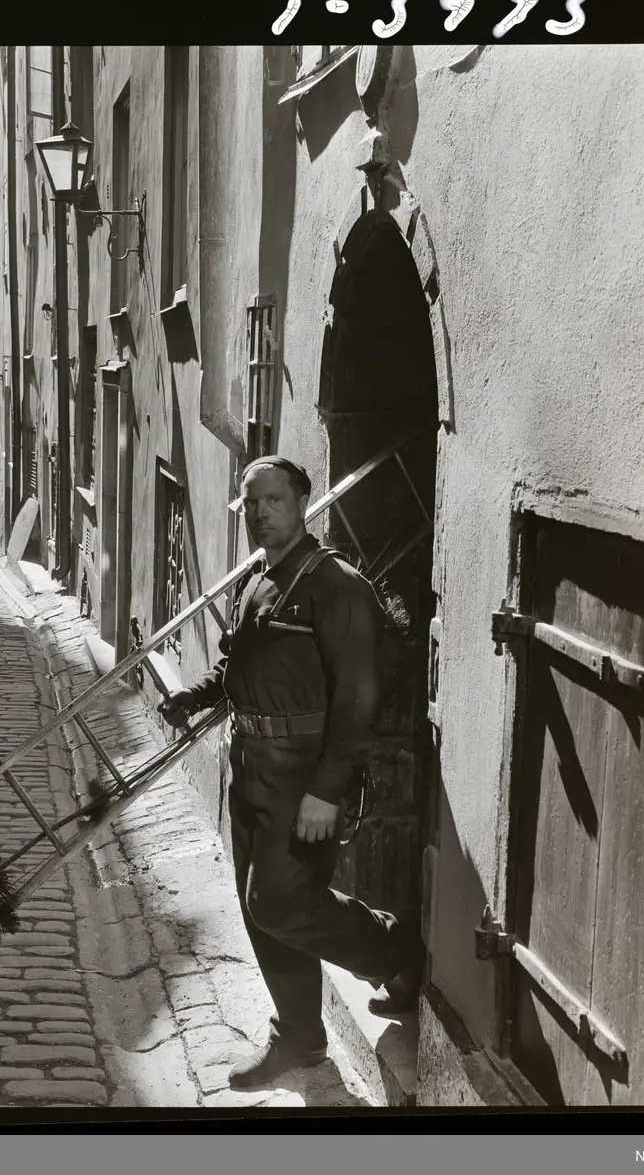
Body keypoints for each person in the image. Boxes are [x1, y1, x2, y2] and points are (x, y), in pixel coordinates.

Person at [160, 455, 424, 1090]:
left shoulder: (336, 585)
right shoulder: (259, 580)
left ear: (302, 502)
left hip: (303, 775)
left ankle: (394, 950)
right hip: (251, 766)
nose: (259, 514)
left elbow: (358, 701)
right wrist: (196, 694)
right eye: (250, 504)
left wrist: (326, 791)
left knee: (280, 904)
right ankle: (300, 1035)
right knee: (260, 910)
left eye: (272, 500)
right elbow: (237, 668)